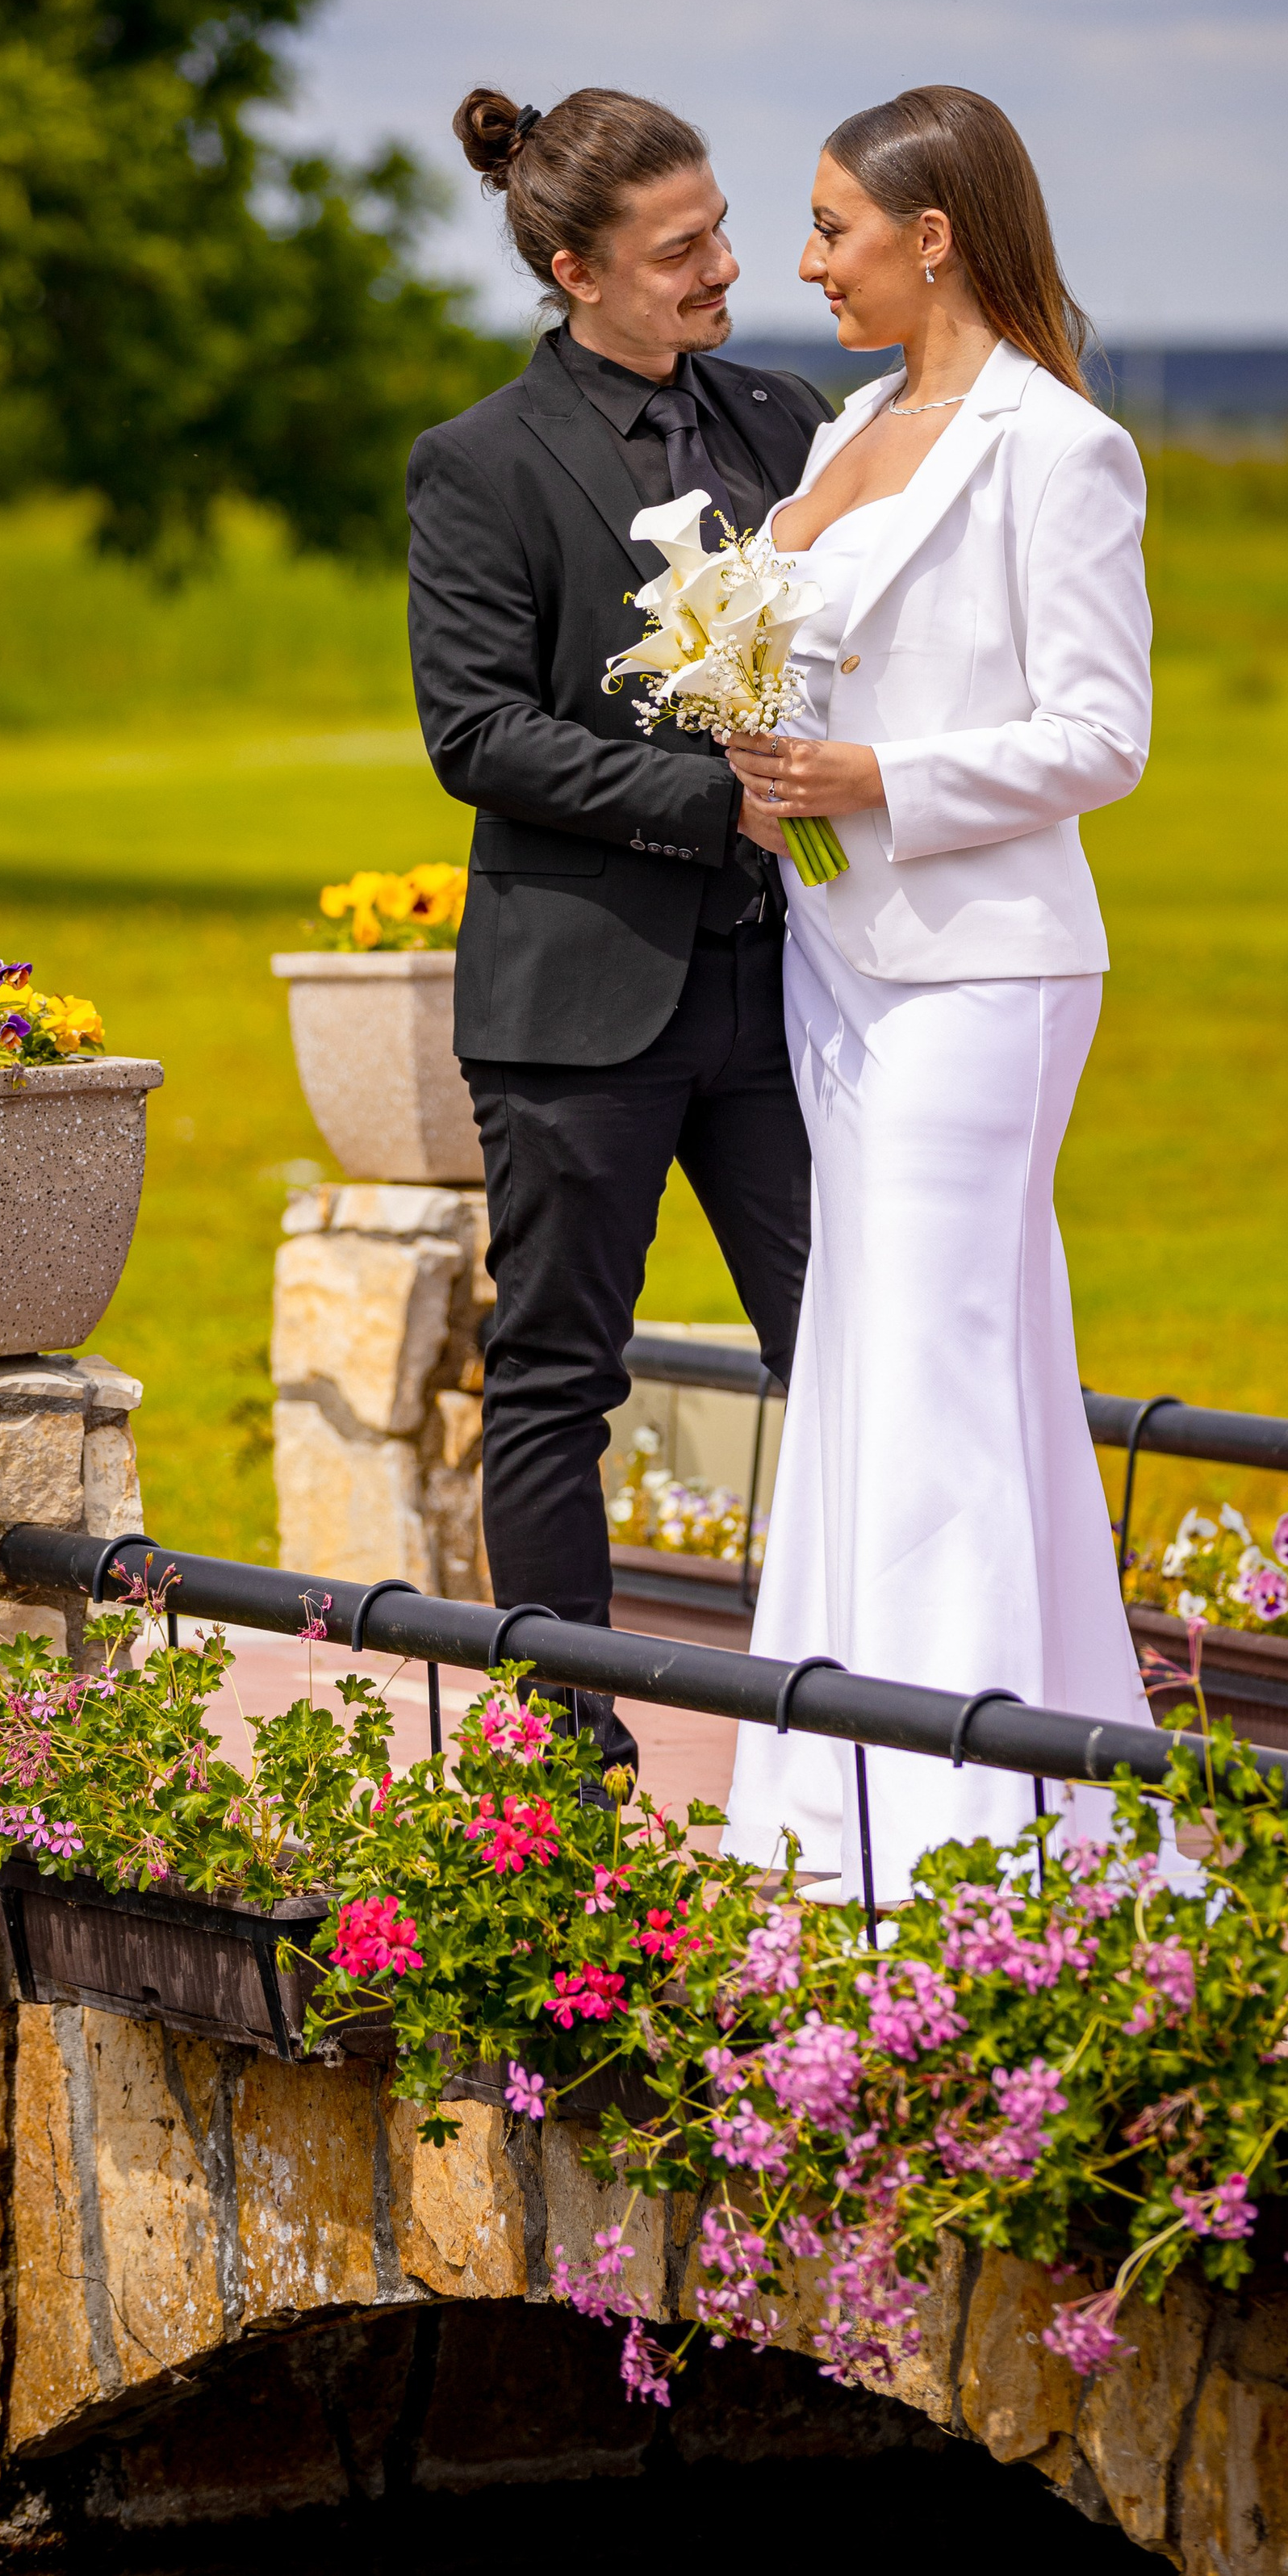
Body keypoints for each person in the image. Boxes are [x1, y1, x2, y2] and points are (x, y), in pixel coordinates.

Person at [717, 84, 1158, 1900]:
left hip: (984, 971)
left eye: (830, 227)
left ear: (934, 235)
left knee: (938, 1365)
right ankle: (873, 1796)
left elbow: (1099, 736)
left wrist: (875, 777)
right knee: (873, 1357)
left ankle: (961, 1835)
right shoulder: (848, 422)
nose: (805, 260)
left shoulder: (1055, 450)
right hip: (839, 958)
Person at [406, 87, 831, 1778]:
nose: (725, 268)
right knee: (556, 1377)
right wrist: (706, 798)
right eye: (682, 251)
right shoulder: (478, 465)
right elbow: (474, 736)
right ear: (575, 269)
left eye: (723, 231)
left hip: (791, 994)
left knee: (847, 1350)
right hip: (577, 1002)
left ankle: (872, 1730)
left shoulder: (789, 423)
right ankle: (566, 1765)